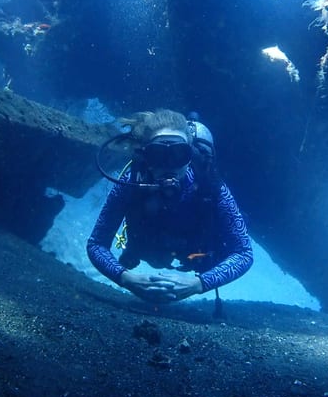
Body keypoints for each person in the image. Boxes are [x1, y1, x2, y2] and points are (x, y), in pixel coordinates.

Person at [87, 109, 253, 303]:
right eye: (158, 155)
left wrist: (198, 283)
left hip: (194, 254)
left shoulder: (211, 187)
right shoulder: (130, 183)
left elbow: (244, 252)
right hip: (148, 247)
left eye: (178, 154)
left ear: (190, 156)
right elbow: (96, 244)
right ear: (146, 158)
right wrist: (126, 278)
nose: (169, 166)